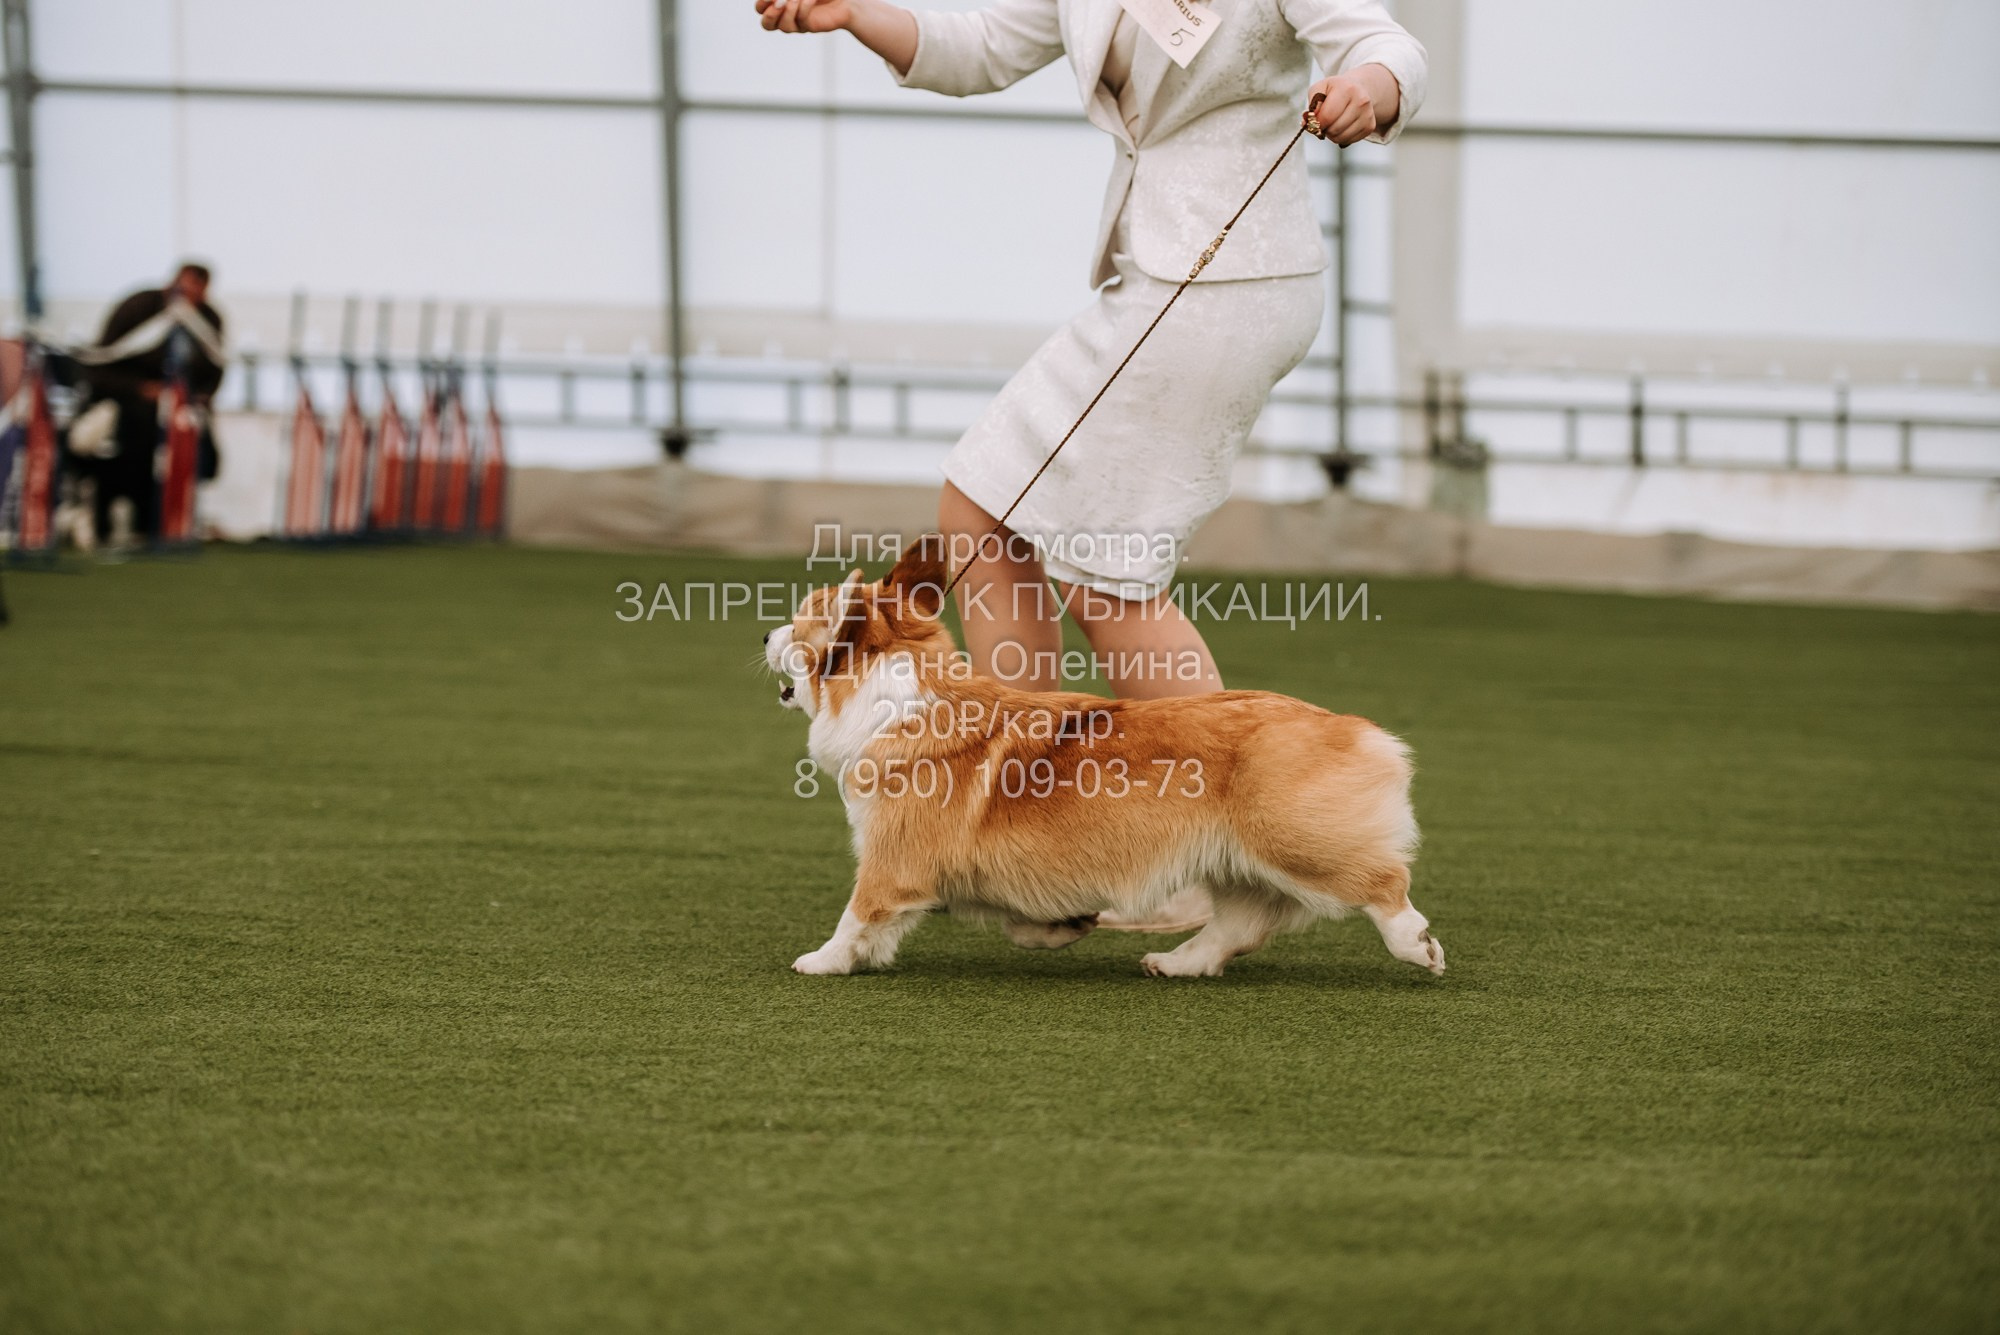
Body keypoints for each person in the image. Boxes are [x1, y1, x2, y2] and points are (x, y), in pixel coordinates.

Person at [756, 0, 1426, 928]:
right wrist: (858, 14)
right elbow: (982, 48)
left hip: (1226, 287)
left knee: (1111, 577)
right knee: (980, 508)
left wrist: (1369, 90)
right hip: (1153, 277)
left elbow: (1387, 45)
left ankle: (1195, 854)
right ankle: (1030, 829)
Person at [70, 263, 226, 545]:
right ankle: (112, 525)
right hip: (125, 406)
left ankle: (164, 524)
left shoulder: (207, 320)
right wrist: (142, 389)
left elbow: (214, 369)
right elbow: (101, 364)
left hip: (179, 411)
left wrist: (194, 396)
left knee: (204, 459)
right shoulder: (139, 307)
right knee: (132, 452)